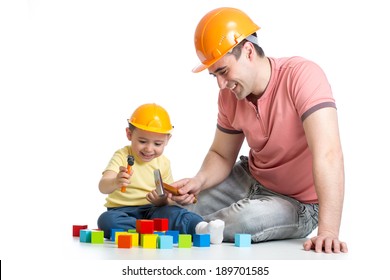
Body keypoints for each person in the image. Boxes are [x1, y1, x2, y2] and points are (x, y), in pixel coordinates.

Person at [169, 7, 348, 253]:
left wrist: (328, 232)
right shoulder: (229, 96)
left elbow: (328, 153)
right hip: (250, 178)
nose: (221, 84)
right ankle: (180, 222)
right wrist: (198, 181)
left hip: (298, 202)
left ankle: (184, 226)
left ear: (248, 51)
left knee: (245, 221)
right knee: (180, 209)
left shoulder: (302, 76)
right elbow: (222, 155)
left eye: (223, 71)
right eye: (214, 76)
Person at [97, 103, 224, 244]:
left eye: (157, 144)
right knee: (106, 220)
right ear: (129, 134)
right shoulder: (122, 155)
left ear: (167, 140)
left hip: (153, 211)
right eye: (142, 141)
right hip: (121, 212)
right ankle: (150, 232)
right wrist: (115, 182)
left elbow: (168, 199)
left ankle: (202, 229)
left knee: (175, 212)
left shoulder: (163, 163)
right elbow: (103, 186)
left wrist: (160, 200)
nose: (149, 149)